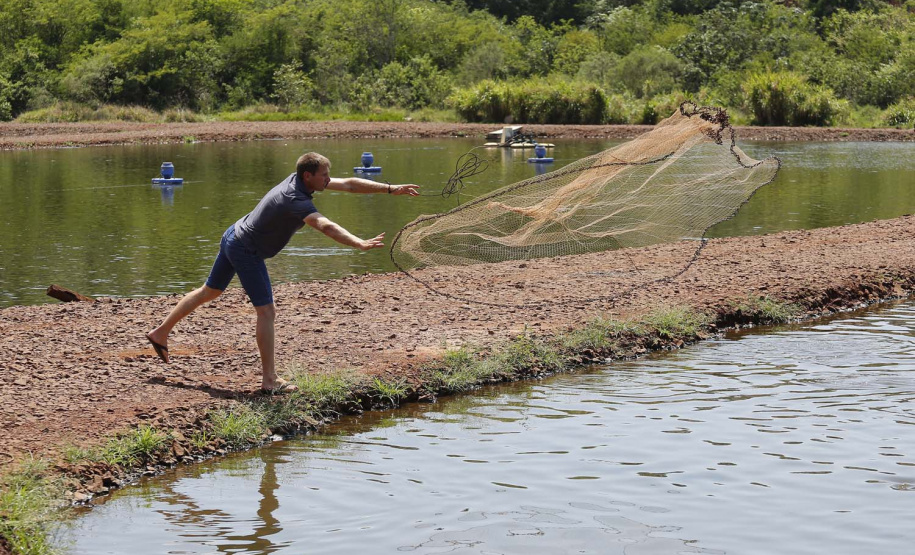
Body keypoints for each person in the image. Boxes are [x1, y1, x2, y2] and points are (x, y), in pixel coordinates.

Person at [146, 152, 420, 393]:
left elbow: (348, 184)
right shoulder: (294, 198)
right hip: (245, 249)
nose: (328, 179)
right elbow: (325, 226)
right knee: (266, 312)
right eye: (324, 175)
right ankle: (269, 380)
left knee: (210, 291)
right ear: (308, 175)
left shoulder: (300, 179)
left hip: (233, 234)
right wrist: (358, 242)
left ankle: (160, 332)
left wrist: (389, 188)